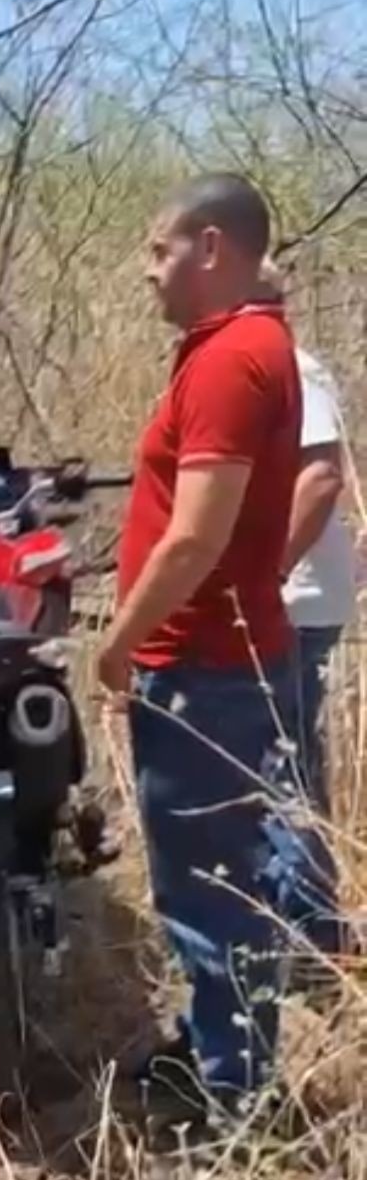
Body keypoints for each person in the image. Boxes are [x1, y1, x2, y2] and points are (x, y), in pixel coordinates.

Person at [98, 173, 301, 1125]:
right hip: (222, 659)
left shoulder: (230, 362)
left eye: (159, 249)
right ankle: (217, 1044)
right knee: (221, 875)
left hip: (203, 668)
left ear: (210, 247)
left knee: (205, 884)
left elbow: (195, 536)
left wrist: (118, 640)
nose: (148, 271)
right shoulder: (237, 347)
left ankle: (232, 1102)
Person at [260, 263, 355, 958]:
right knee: (279, 761)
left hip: (289, 605)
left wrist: (268, 572)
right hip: (280, 601)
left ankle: (315, 938)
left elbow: (321, 473)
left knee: (278, 765)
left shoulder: (294, 369)